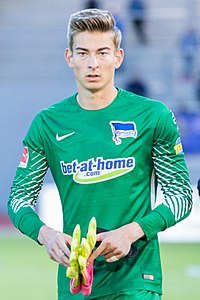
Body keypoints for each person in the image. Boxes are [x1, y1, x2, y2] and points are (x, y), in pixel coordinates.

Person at [8, 8, 193, 300]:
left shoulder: (152, 116)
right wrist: (46, 234)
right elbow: (18, 200)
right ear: (70, 58)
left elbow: (181, 196)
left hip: (136, 280)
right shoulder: (47, 124)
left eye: (103, 52)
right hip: (77, 284)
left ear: (118, 57)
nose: (93, 63)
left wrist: (133, 231)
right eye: (83, 53)